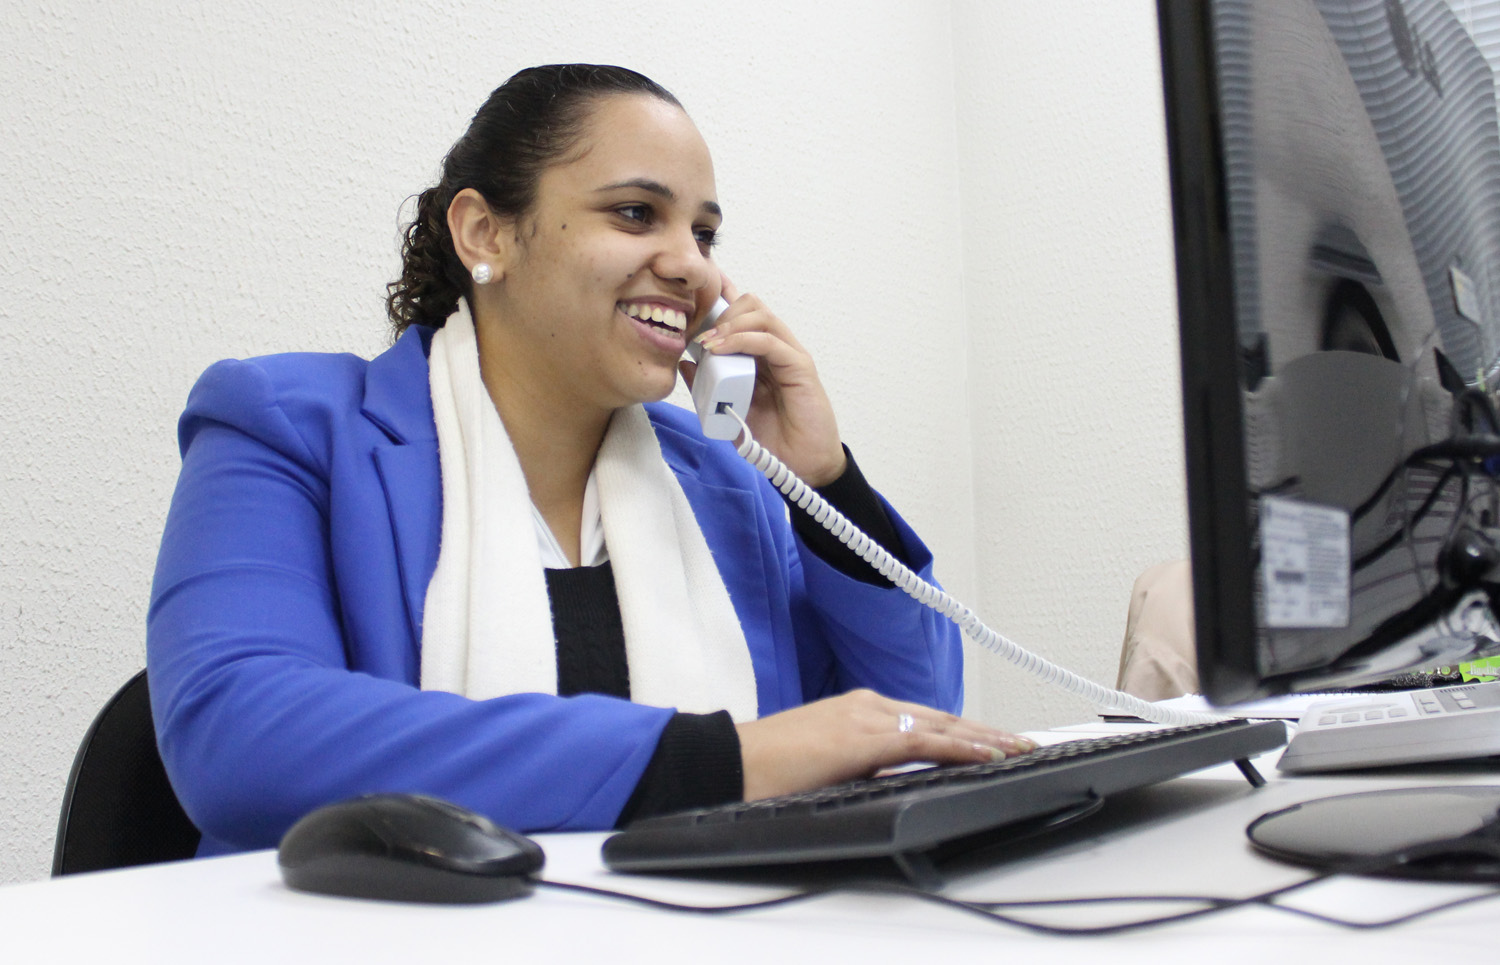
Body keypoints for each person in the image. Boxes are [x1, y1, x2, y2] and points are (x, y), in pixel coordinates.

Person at [146, 64, 1034, 857]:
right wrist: (719, 760)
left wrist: (823, 482)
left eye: (706, 233)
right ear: (485, 233)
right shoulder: (288, 427)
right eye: (636, 213)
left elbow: (911, 723)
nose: (690, 266)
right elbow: (237, 733)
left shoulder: (725, 481)